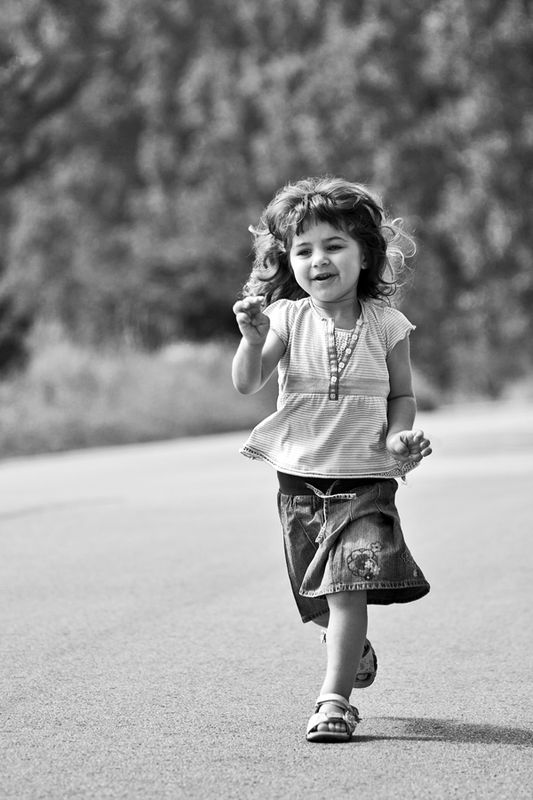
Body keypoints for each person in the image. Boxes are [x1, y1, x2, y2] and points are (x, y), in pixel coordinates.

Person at [231, 176, 432, 743]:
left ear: (365, 254)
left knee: (345, 589)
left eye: (334, 245)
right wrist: (251, 339)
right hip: (300, 482)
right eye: (303, 250)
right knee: (315, 599)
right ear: (287, 261)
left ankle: (334, 702)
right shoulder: (287, 319)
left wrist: (399, 436)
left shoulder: (387, 325)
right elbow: (248, 382)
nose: (318, 259)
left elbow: (402, 395)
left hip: (365, 480)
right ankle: (350, 643)